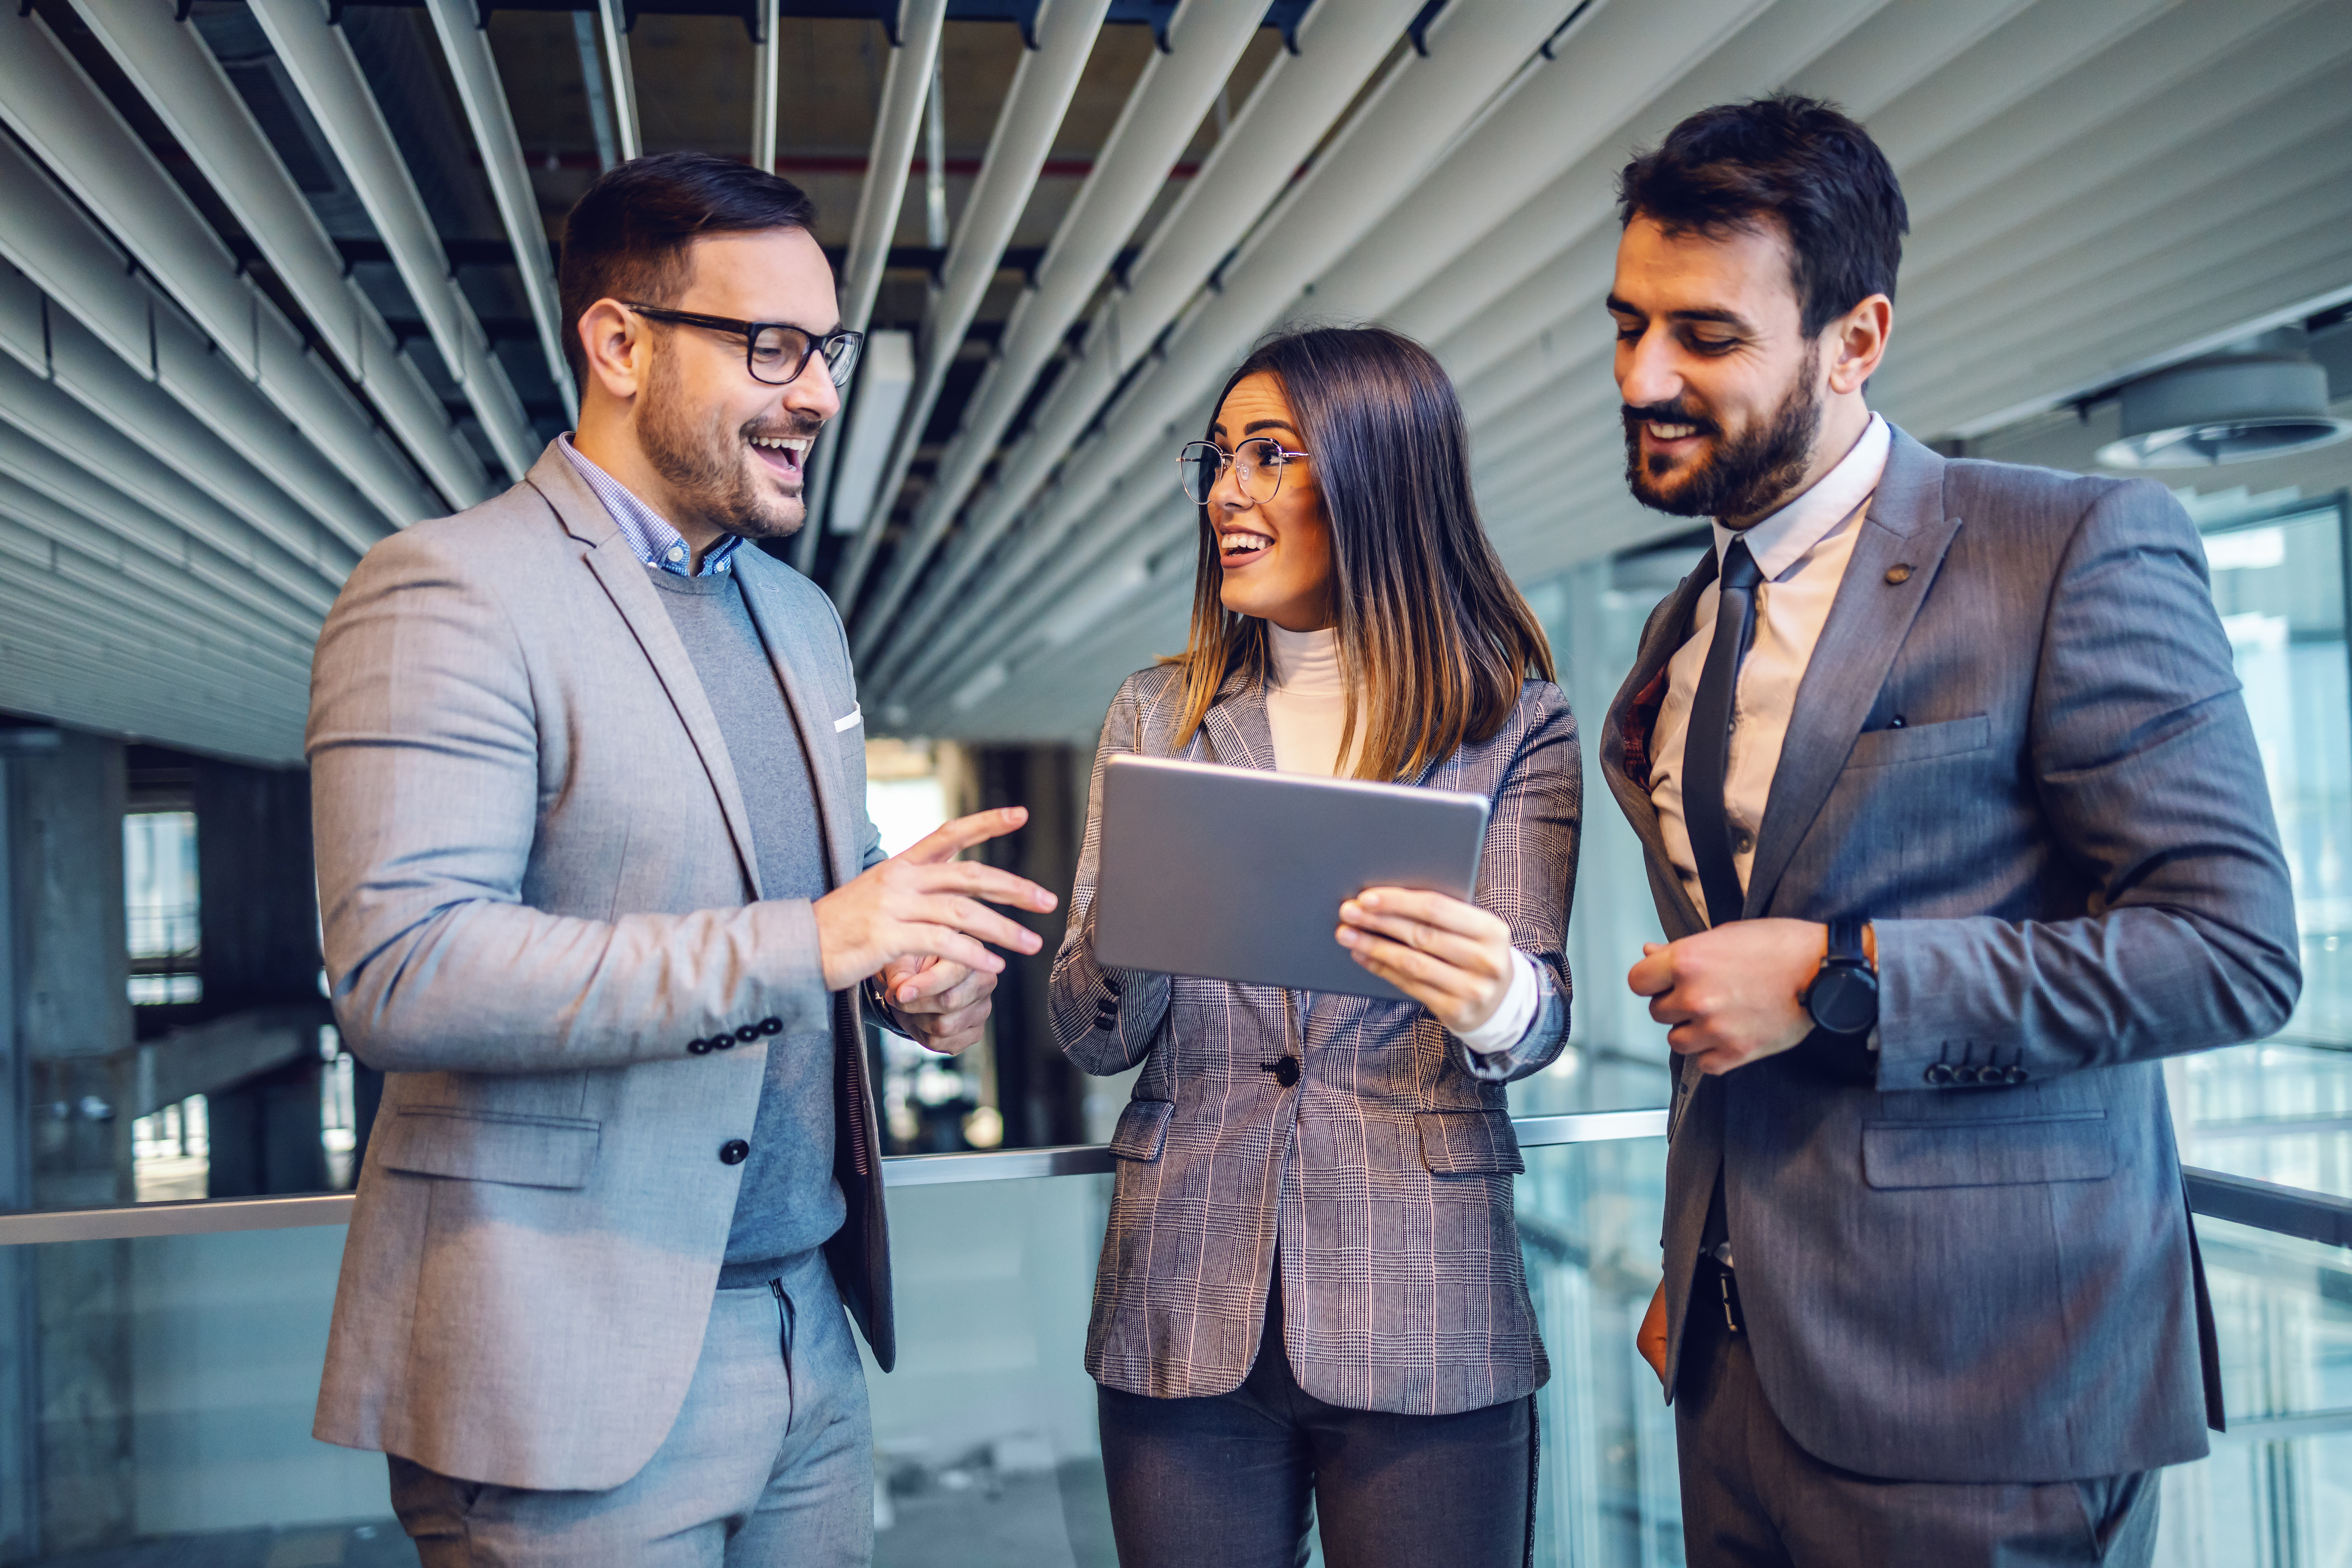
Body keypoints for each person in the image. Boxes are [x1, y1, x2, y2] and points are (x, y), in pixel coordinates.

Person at [307, 152, 1057, 1567]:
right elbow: (404, 971)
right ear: (618, 342)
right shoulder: (449, 589)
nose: (822, 395)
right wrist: (812, 940)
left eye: (823, 352)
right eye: (773, 348)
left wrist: (907, 974)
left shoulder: (799, 616)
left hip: (810, 1340)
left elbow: (813, 914)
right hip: (565, 1358)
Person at [1596, 97, 2301, 1566]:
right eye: (1627, 324)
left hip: (1990, 1394)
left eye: (1706, 339)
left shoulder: (2064, 552)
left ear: (1856, 341)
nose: (1643, 375)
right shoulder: (1682, 625)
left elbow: (2233, 954)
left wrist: (1838, 974)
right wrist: (1702, 1255)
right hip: (1733, 1384)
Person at [1048, 326, 1578, 1568]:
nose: (1226, 491)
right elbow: (1087, 1029)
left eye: (1271, 455)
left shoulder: (1512, 724)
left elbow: (1540, 1020)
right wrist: (1145, 926)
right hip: (1183, 1292)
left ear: (1378, 478)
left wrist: (1495, 995)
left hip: (1426, 1292)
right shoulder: (1159, 713)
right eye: (1221, 456)